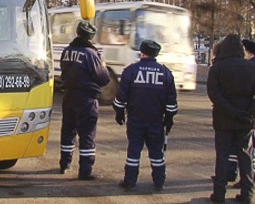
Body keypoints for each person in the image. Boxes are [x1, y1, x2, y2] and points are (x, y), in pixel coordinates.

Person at [206, 34, 255, 204]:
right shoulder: (253, 69)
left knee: (223, 156)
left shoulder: (217, 68)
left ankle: (219, 194)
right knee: (245, 157)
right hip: (245, 121)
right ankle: (247, 194)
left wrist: (232, 111)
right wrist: (250, 112)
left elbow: (214, 94)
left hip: (223, 119)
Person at [113, 40, 177, 192]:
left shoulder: (131, 71)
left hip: (136, 118)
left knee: (134, 150)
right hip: (156, 120)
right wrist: (169, 118)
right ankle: (159, 181)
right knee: (157, 152)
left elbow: (121, 96)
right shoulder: (165, 73)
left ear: (142, 52)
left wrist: (119, 111)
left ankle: (130, 181)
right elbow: (171, 101)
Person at [59, 20, 110, 181]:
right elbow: (103, 79)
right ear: (91, 37)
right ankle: (85, 171)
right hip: (86, 99)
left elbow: (63, 70)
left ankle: (64, 164)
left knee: (68, 131)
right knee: (87, 134)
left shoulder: (67, 51)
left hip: (68, 96)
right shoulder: (91, 54)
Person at [225, 39, 255, 189]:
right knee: (236, 146)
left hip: (252, 115)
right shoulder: (249, 66)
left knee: (252, 147)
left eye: (242, 49)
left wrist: (251, 112)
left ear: (248, 51)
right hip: (242, 114)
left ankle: (251, 177)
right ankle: (231, 173)